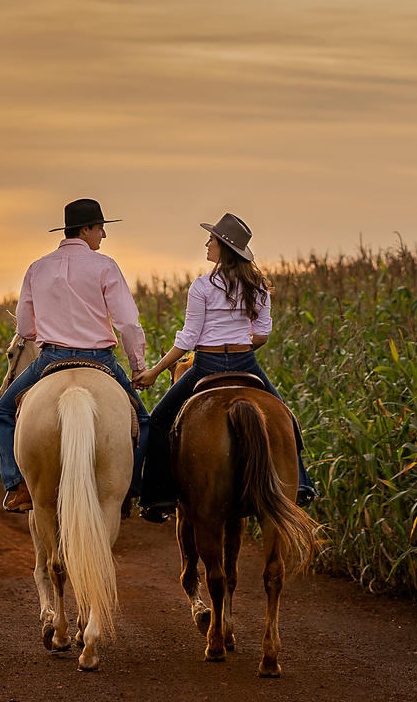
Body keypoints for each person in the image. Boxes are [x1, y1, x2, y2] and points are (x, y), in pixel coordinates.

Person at [132, 212, 317, 523]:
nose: (207, 244)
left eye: (212, 240)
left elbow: (188, 338)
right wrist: (240, 344)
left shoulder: (202, 286)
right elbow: (262, 335)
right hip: (248, 362)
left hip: (207, 365)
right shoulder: (257, 285)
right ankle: (299, 484)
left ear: (224, 248)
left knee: (161, 420)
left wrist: (153, 371)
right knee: (284, 417)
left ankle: (158, 496)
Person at [0, 198, 151, 513]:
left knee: (2, 414)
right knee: (145, 421)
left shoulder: (37, 268)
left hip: (51, 359)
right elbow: (128, 324)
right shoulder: (105, 266)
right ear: (87, 229)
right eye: (101, 228)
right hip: (101, 360)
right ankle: (130, 488)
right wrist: (138, 367)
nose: (103, 236)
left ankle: (18, 485)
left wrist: (53, 336)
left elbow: (24, 328)